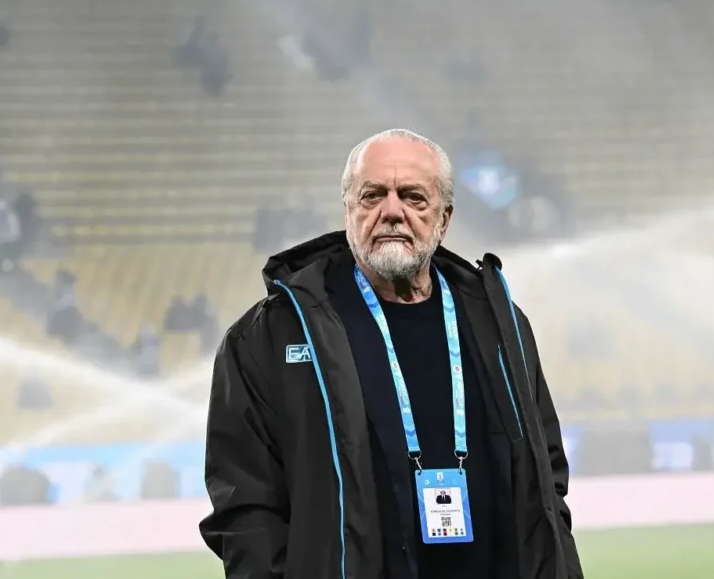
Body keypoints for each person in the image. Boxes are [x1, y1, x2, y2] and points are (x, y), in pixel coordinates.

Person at [201, 129, 582, 579]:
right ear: (349, 209)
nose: (392, 211)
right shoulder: (270, 335)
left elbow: (545, 479)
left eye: (414, 197)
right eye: (373, 195)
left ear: (444, 218)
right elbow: (246, 509)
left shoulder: (500, 323)